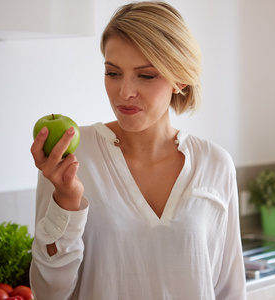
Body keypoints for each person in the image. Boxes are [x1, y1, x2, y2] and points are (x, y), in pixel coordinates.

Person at [29, 1, 246, 299]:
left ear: (180, 78)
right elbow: (48, 292)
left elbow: (229, 292)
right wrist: (65, 201)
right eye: (113, 73)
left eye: (146, 75)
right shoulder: (72, 159)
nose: (124, 92)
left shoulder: (215, 163)